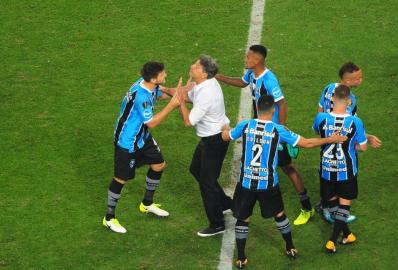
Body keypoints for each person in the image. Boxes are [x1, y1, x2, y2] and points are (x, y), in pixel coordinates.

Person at [222, 95, 347, 269]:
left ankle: (241, 258)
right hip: (268, 184)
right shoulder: (278, 130)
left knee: (243, 218)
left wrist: (225, 127)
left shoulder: (245, 125)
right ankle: (290, 247)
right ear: (273, 110)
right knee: (279, 215)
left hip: (246, 183)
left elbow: (225, 136)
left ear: (257, 108)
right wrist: (330, 139)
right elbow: (307, 143)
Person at [216, 44, 314, 225]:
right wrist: (219, 77)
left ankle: (307, 207)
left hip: (272, 131)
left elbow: (282, 105)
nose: (245, 59)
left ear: (257, 60)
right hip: (261, 127)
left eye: (248, 57)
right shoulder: (252, 74)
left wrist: (280, 132)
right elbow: (242, 82)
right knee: (262, 164)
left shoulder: (269, 80)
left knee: (287, 168)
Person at [102, 61, 181, 233]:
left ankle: (146, 204)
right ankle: (109, 218)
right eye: (162, 74)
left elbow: (159, 94)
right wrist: (172, 105)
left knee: (159, 165)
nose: (165, 75)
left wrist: (179, 91)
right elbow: (152, 122)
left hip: (142, 138)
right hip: (127, 141)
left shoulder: (145, 84)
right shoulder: (141, 96)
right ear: (153, 78)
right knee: (121, 178)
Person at [316, 62, 382, 223]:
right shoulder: (350, 99)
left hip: (326, 137)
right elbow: (350, 125)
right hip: (342, 142)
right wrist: (367, 138)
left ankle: (326, 205)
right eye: (357, 78)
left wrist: (323, 128)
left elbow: (319, 110)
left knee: (327, 172)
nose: (361, 80)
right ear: (347, 81)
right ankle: (333, 211)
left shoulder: (328, 88)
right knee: (343, 174)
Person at [177, 55, 233, 237]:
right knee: (196, 169)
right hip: (211, 138)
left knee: (207, 183)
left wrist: (179, 101)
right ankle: (225, 203)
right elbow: (188, 95)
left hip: (214, 141)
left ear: (204, 73)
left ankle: (217, 224)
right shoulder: (205, 85)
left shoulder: (206, 92)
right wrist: (160, 90)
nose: (192, 66)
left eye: (196, 66)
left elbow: (189, 121)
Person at [313, 84, 368, 253]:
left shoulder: (321, 118)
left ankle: (347, 235)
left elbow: (318, 134)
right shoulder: (355, 122)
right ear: (349, 101)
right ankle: (333, 240)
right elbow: (363, 147)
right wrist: (352, 146)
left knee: (332, 204)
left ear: (332, 99)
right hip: (347, 170)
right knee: (344, 206)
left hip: (327, 169)